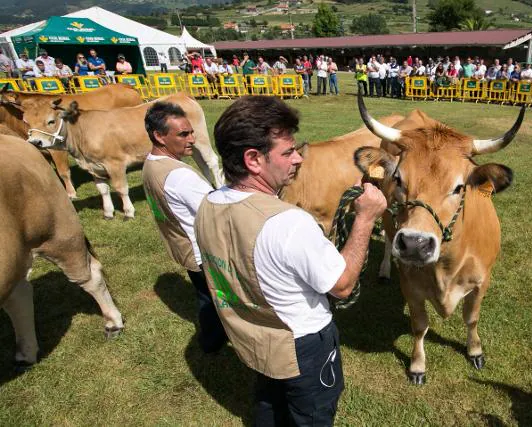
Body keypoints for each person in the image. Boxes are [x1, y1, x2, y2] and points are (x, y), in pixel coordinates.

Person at [197, 95, 387, 426]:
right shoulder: (289, 223)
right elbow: (341, 285)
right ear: (254, 159)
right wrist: (365, 220)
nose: (298, 158)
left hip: (252, 334)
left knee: (269, 403)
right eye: (287, 152)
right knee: (311, 416)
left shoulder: (208, 204)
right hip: (303, 347)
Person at [142, 102, 227, 354]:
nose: (193, 139)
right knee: (218, 299)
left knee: (206, 297)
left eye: (191, 132)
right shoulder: (180, 175)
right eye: (183, 134)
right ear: (159, 136)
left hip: (181, 245)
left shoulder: (151, 163)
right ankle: (214, 341)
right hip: (203, 252)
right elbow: (218, 211)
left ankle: (212, 340)